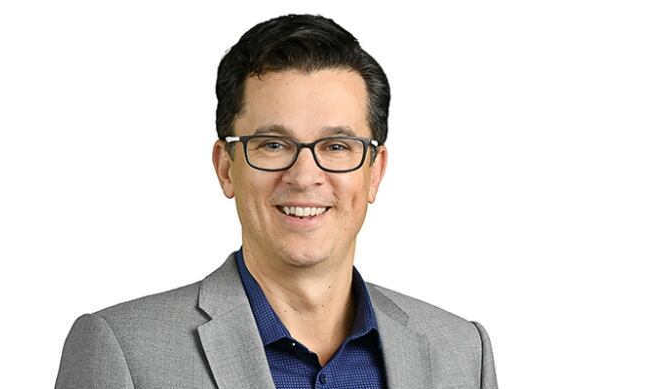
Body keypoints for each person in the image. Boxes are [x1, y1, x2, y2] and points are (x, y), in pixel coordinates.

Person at [54, 13, 498, 389]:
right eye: (272, 145)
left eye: (337, 147)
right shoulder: (124, 352)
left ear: (375, 171)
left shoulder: (461, 354)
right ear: (226, 167)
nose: (305, 176)